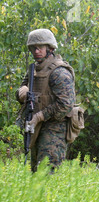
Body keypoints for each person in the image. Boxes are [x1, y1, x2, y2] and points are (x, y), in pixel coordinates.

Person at [16, 28, 76, 172]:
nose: (36, 51)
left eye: (40, 47)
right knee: (36, 173)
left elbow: (66, 104)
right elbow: (23, 89)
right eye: (33, 48)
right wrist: (21, 93)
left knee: (48, 173)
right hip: (36, 126)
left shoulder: (59, 72)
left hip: (54, 128)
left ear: (50, 48)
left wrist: (40, 116)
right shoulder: (34, 70)